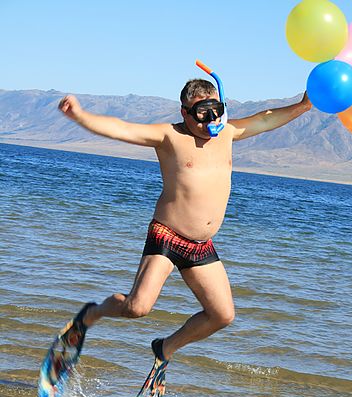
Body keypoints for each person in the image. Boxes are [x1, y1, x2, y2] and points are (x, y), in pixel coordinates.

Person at [58, 78, 312, 365]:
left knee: (222, 315)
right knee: (137, 307)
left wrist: (303, 106)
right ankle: (93, 313)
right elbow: (121, 128)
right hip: (167, 236)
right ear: (184, 113)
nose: (209, 122)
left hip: (201, 246)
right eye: (201, 115)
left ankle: (165, 348)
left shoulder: (227, 133)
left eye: (215, 112)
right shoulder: (170, 137)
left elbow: (266, 120)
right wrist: (79, 115)